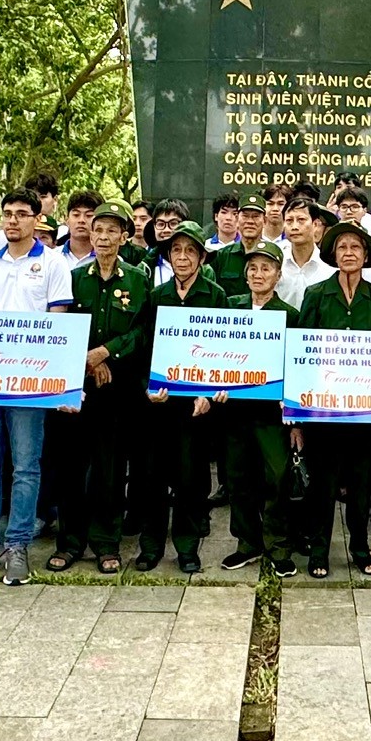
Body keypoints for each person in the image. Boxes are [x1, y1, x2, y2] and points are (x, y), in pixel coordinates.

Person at [0, 191, 75, 586]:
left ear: (36, 219)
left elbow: (58, 325)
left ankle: (17, 544)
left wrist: (60, 386)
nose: (13, 221)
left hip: (30, 383)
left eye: (22, 214)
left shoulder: (54, 263)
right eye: (7, 214)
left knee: (26, 467)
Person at [48, 203, 152, 573]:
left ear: (124, 236)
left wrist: (106, 352)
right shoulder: (74, 277)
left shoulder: (138, 280)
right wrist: (88, 360)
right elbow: (62, 327)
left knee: (110, 469)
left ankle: (107, 543)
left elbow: (143, 330)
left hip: (118, 388)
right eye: (98, 230)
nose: (103, 237)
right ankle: (70, 542)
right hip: (78, 386)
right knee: (71, 466)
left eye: (111, 231)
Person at [296, 222, 371, 579]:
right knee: (322, 485)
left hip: (365, 412)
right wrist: (297, 416)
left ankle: (360, 549)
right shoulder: (316, 294)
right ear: (333, 255)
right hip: (323, 410)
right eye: (342, 247)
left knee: (362, 487)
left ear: (366, 256)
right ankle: (319, 550)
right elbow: (302, 352)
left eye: (356, 247)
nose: (349, 253)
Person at [140, 226, 225, 572]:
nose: (183, 257)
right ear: (168, 256)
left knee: (191, 477)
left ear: (201, 258)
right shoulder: (156, 295)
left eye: (191, 251)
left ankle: (188, 548)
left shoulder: (215, 295)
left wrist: (209, 393)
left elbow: (223, 349)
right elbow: (145, 345)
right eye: (176, 250)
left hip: (195, 406)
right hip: (160, 403)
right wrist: (147, 387)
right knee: (153, 477)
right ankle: (150, 546)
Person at [218, 245, 299, 575]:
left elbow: (296, 365)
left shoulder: (289, 315)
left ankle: (279, 546)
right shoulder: (230, 308)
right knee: (238, 479)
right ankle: (247, 543)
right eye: (253, 268)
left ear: (278, 276)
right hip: (235, 411)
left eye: (266, 268)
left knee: (277, 478)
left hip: (271, 415)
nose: (258, 274)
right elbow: (216, 353)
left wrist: (294, 414)